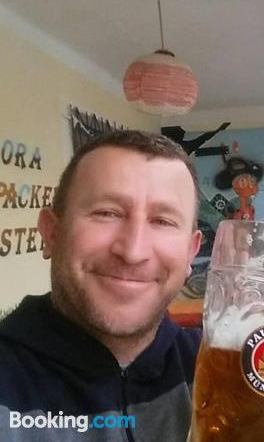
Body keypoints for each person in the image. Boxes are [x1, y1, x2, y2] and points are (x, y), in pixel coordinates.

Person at [0, 130, 202, 441]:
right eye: (107, 213)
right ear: (51, 233)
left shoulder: (218, 371)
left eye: (163, 221)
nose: (133, 251)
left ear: (191, 252)